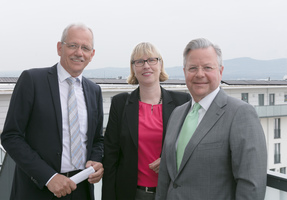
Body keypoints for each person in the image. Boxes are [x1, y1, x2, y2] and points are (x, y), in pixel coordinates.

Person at [1, 23, 104, 200]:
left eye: (85, 48)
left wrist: (95, 161)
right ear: (59, 48)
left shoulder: (94, 90)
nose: (79, 53)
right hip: (38, 189)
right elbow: (11, 136)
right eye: (72, 45)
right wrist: (49, 177)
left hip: (81, 190)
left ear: (91, 54)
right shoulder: (32, 80)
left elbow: (97, 140)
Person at [155, 38, 268, 200]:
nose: (200, 74)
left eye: (208, 67)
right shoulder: (177, 114)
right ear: (185, 72)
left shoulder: (240, 114)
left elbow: (251, 186)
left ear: (220, 71)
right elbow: (166, 178)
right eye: (193, 68)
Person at [102, 42, 191, 200]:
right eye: (139, 61)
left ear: (160, 64)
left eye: (152, 60)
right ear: (133, 68)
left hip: (172, 192)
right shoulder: (120, 104)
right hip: (133, 194)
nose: (146, 66)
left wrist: (169, 159)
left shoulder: (182, 102)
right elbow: (110, 157)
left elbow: (193, 148)